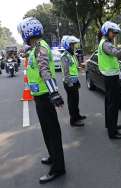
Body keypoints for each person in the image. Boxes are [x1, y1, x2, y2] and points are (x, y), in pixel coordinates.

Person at [17, 17, 66, 184]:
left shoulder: (40, 48)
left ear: (27, 31)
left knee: (52, 132)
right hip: (40, 96)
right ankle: (53, 156)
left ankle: (58, 168)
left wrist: (54, 93)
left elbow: (45, 70)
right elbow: (31, 58)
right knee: (47, 131)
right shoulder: (36, 47)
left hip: (46, 96)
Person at [60, 35, 86, 127]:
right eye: (72, 45)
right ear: (67, 45)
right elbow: (66, 72)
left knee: (76, 100)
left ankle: (77, 116)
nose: (73, 46)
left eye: (74, 45)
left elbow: (74, 67)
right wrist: (70, 83)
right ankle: (73, 120)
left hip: (74, 81)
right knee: (72, 102)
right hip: (69, 83)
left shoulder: (72, 55)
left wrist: (77, 80)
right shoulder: (65, 56)